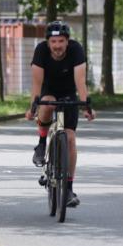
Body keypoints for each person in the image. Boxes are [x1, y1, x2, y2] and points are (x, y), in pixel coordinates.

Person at [26, 20, 94, 208]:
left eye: (61, 41)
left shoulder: (76, 50)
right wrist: (33, 107)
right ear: (48, 43)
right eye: (54, 42)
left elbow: (80, 81)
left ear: (67, 41)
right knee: (47, 105)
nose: (57, 46)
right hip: (48, 90)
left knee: (70, 139)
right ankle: (41, 144)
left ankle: (69, 188)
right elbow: (37, 83)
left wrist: (86, 106)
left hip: (68, 93)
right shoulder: (41, 51)